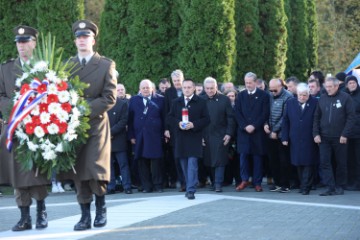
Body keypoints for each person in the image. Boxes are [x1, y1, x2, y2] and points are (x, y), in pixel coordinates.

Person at [66, 20, 117, 230]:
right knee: (79, 171)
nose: (82, 40)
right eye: (78, 37)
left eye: (86, 36)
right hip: (74, 127)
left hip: (96, 125)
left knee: (96, 169)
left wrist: (83, 108)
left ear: (93, 40)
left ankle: (101, 209)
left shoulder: (106, 64)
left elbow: (110, 97)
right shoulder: (67, 65)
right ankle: (84, 215)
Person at [0, 25, 49, 231]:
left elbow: (52, 93)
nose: (21, 46)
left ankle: (41, 212)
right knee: (17, 171)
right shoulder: (6, 68)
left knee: (37, 171)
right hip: (15, 126)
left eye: (25, 41)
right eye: (18, 42)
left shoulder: (43, 67)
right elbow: (1, 95)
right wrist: (12, 109)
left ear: (33, 43)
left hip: (39, 126)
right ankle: (24, 216)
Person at [168, 79, 210, 199]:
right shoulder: (176, 102)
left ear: (194, 88)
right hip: (180, 138)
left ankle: (191, 189)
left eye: (189, 87)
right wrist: (178, 124)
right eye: (184, 87)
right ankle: (188, 186)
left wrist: (194, 124)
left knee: (192, 164)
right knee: (184, 165)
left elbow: (207, 119)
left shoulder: (201, 102)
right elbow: (170, 117)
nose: (186, 89)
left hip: (194, 137)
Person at [313, 77, 355, 196]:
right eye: (326, 86)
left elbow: (351, 117)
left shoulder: (346, 98)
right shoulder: (322, 98)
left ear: (337, 86)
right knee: (325, 161)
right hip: (324, 137)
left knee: (340, 162)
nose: (328, 89)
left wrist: (345, 134)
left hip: (340, 137)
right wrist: (316, 134)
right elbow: (316, 117)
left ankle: (339, 186)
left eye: (330, 87)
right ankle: (330, 187)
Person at [128, 79, 165, 193]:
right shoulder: (133, 100)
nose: (145, 89)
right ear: (139, 89)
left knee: (156, 161)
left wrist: (165, 132)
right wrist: (131, 136)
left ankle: (158, 185)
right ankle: (146, 186)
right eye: (143, 88)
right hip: (140, 136)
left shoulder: (160, 100)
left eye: (147, 87)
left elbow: (164, 118)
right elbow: (130, 120)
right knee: (142, 161)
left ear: (152, 88)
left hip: (155, 136)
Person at [235, 72, 270, 192]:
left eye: (250, 83)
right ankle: (244, 180)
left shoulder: (264, 96)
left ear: (255, 82)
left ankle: (257, 182)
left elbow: (265, 113)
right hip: (244, 132)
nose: (248, 85)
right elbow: (237, 113)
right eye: (246, 83)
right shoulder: (240, 95)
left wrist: (254, 125)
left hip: (257, 132)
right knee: (243, 157)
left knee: (257, 158)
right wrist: (245, 126)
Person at [282, 83, 319, 195]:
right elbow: (286, 121)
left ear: (309, 94)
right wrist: (284, 137)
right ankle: (303, 184)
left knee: (308, 162)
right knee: (298, 162)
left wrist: (317, 135)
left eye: (304, 95)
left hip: (309, 138)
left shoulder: (315, 103)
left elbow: (317, 120)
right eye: (300, 95)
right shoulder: (290, 103)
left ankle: (306, 187)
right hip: (295, 138)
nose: (302, 97)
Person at [201, 77, 236, 192]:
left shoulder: (224, 100)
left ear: (216, 87)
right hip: (206, 134)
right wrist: (200, 136)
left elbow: (230, 118)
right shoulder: (200, 100)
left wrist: (229, 134)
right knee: (209, 160)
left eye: (212, 88)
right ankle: (213, 182)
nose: (210, 91)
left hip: (221, 134)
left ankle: (218, 184)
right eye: (207, 88)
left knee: (220, 160)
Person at [264, 78, 293, 193]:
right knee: (272, 160)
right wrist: (265, 123)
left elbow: (285, 117)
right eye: (270, 90)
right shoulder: (270, 96)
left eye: (274, 90)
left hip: (282, 134)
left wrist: (275, 131)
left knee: (284, 160)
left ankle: (285, 184)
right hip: (270, 133)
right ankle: (277, 183)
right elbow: (266, 111)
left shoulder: (288, 97)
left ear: (281, 86)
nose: (272, 92)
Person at [107, 84, 133, 195]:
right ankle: (110, 186)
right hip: (106, 140)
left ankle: (127, 186)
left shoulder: (123, 104)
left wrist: (111, 132)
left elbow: (123, 121)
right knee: (108, 165)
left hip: (118, 139)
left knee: (123, 164)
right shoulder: (105, 105)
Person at [164, 69, 186, 191]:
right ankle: (182, 182)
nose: (177, 83)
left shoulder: (188, 89)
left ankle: (191, 180)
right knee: (177, 157)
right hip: (174, 130)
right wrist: (166, 129)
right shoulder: (168, 92)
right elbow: (166, 111)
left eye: (179, 80)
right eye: (175, 81)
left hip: (188, 128)